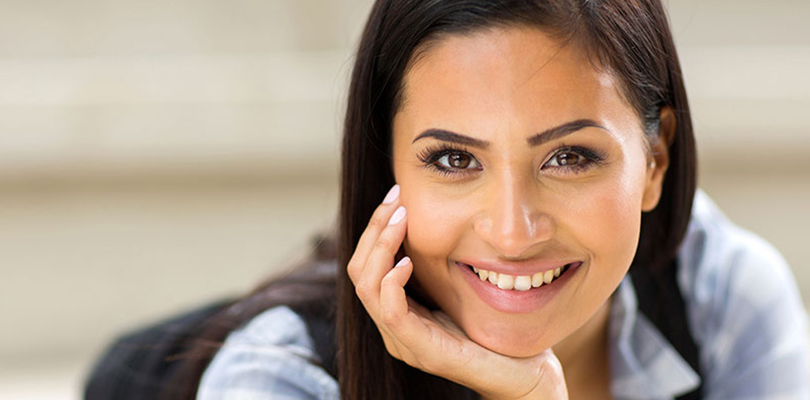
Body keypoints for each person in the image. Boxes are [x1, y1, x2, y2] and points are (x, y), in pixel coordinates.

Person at [84, 0, 809, 399]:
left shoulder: (722, 294)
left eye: (569, 157)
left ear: (655, 160)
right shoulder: (276, 379)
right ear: (386, 166)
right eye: (455, 159)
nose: (512, 231)